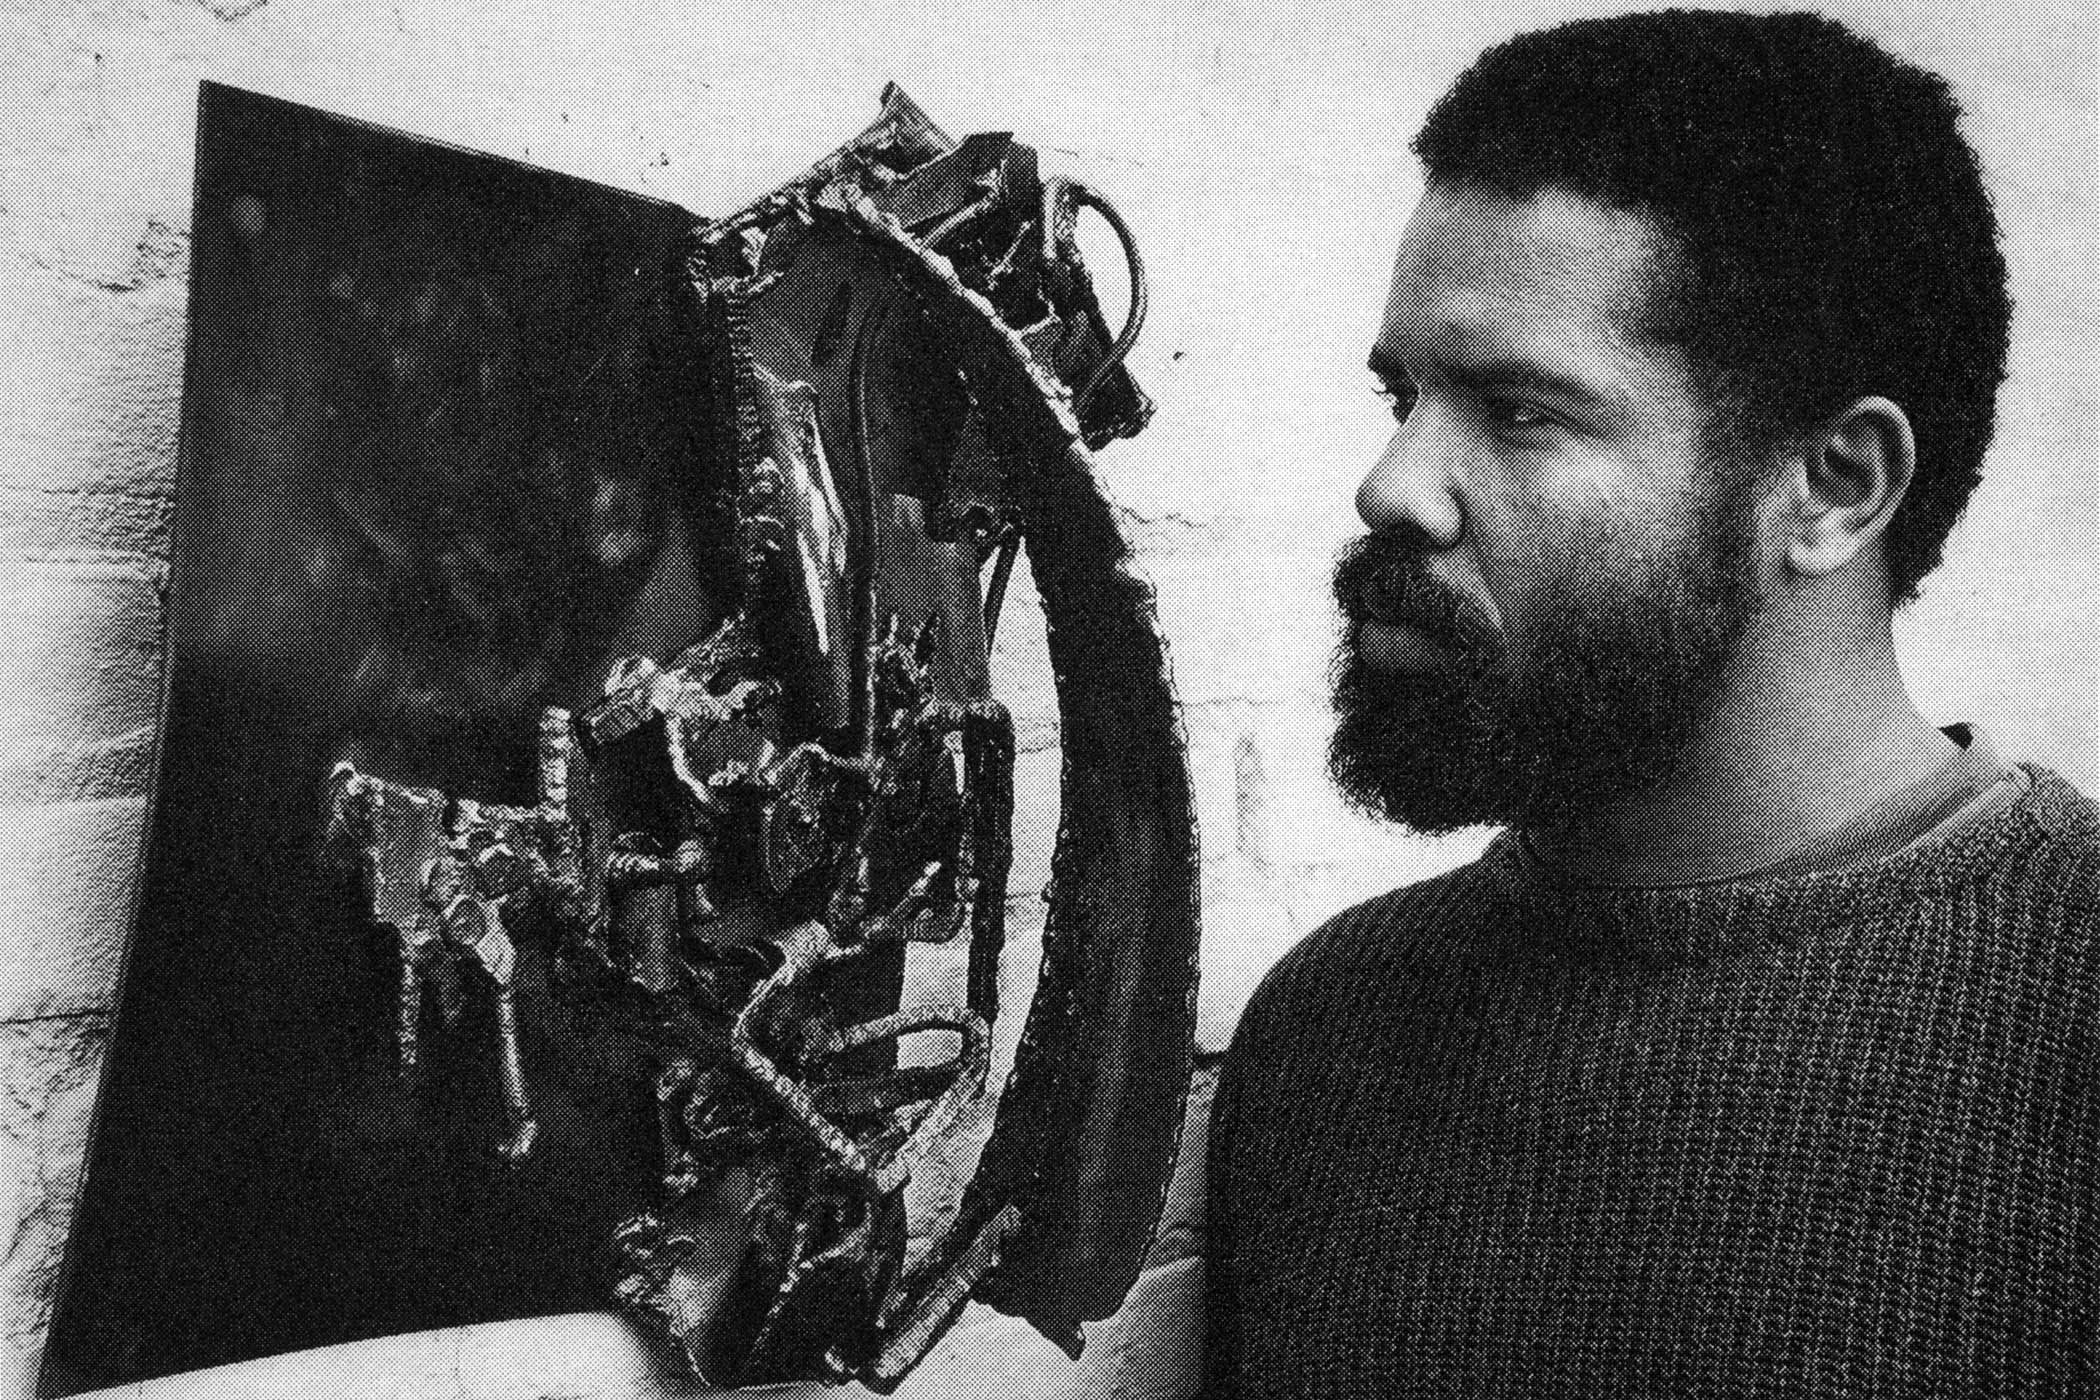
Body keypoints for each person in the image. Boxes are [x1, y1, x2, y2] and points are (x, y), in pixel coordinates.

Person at [1203, 10, 2097, 1397]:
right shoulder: (1328, 1036)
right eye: (1403, 396)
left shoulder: (2068, 1008)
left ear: (1836, 486)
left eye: (1519, 411)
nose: (1391, 486)